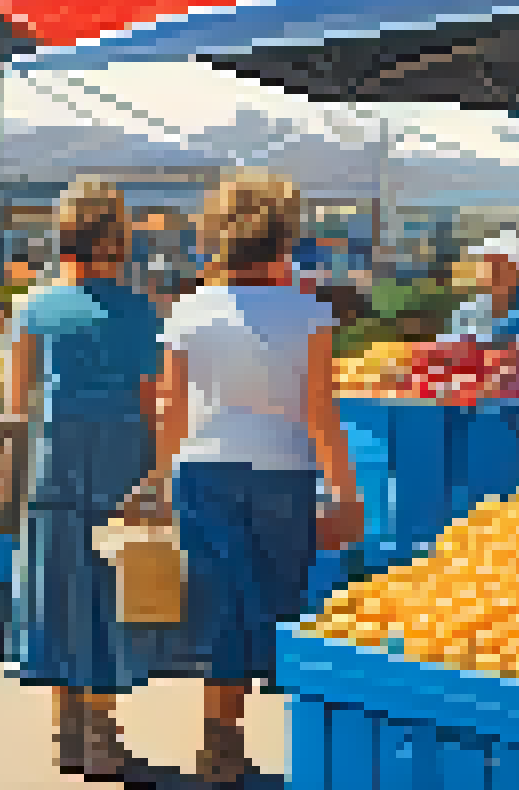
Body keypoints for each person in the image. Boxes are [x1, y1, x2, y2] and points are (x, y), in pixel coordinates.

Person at [141, 170, 363, 784]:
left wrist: (158, 480)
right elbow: (322, 414)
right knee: (280, 609)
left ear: (216, 238)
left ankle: (220, 740)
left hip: (203, 472)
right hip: (284, 474)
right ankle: (295, 744)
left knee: (221, 608)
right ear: (286, 242)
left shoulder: (188, 313)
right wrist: (346, 492)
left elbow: (171, 410)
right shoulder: (309, 315)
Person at [5, 179, 168, 779]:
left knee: (55, 593)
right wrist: (158, 475)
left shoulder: (34, 308)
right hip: (120, 467)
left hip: (52, 465)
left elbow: (13, 402)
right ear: (118, 241)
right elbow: (155, 402)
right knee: (108, 598)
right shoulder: (141, 311)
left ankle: (64, 729)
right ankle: (102, 733)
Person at [439, 231, 519, 344]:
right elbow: (447, 344)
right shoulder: (472, 308)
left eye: (497, 265)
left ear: (516, 269)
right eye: (486, 264)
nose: (489, 272)